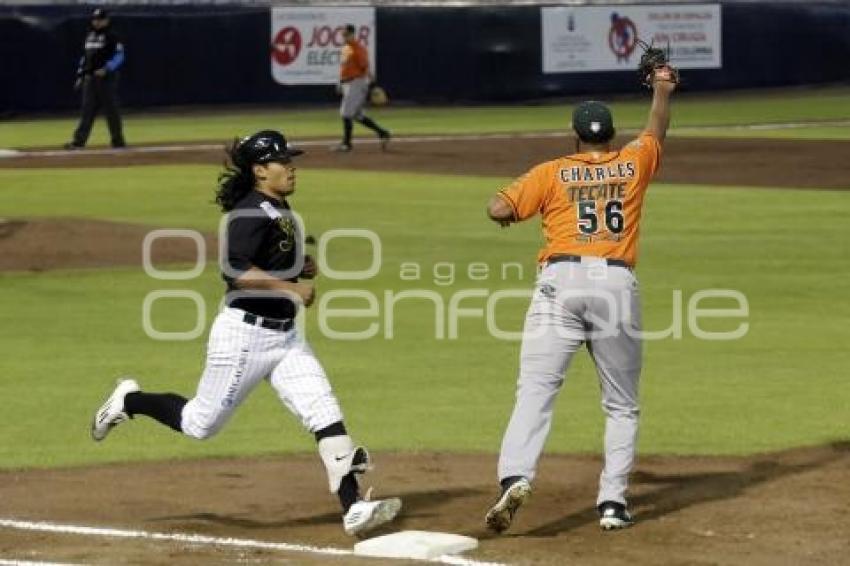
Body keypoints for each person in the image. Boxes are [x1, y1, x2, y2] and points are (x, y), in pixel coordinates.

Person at [90, 130, 402, 536]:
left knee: (324, 413)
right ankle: (129, 399)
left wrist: (296, 266)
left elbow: (264, 259)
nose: (291, 167)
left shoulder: (277, 206)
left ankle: (354, 508)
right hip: (244, 338)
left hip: (287, 339)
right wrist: (291, 287)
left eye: (291, 160)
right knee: (201, 424)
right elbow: (235, 271)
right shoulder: (250, 211)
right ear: (260, 171)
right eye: (283, 162)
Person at [483, 66, 677, 533]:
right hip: (615, 285)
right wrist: (663, 89)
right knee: (621, 404)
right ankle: (612, 503)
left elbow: (498, 208)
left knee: (535, 390)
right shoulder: (633, 163)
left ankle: (515, 476)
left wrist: (513, 214)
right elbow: (656, 129)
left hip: (560, 282)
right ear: (611, 136)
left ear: (574, 135)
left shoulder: (552, 172)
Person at [65, 8, 126, 149]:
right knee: (87, 111)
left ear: (106, 20)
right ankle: (79, 141)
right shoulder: (89, 36)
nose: (97, 22)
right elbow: (85, 57)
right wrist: (80, 74)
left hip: (106, 79)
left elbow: (120, 56)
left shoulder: (112, 36)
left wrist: (107, 68)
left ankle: (118, 140)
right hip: (90, 78)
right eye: (95, 19)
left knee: (111, 111)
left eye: (100, 19)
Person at [332, 24, 390, 152]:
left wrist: (372, 85)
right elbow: (344, 68)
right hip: (348, 83)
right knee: (357, 115)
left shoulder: (358, 48)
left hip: (357, 83)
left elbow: (365, 67)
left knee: (346, 113)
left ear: (353, 34)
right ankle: (382, 133)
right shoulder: (346, 48)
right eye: (343, 35)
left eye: (347, 34)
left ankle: (347, 144)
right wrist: (340, 83)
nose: (344, 37)